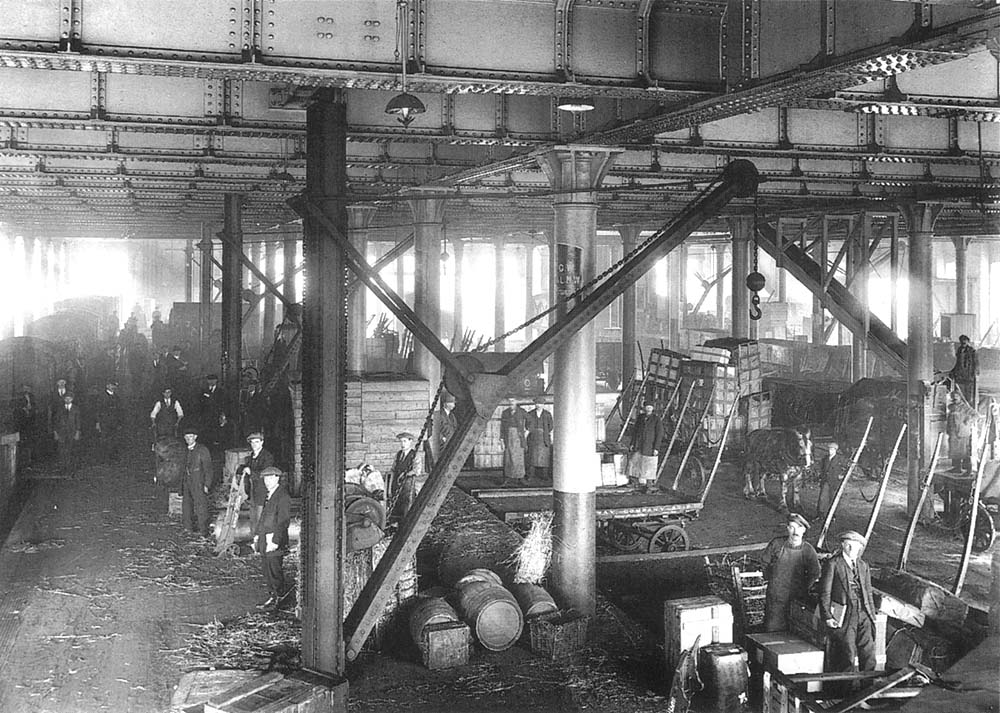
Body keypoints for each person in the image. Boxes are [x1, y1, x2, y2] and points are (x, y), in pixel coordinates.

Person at [820, 530, 878, 688]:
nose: (852, 548)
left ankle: (868, 691)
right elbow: (824, 593)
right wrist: (827, 616)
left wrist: (872, 615)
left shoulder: (863, 565)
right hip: (845, 615)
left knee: (869, 654)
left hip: (863, 613)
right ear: (842, 545)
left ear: (860, 547)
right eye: (849, 545)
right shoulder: (833, 564)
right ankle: (845, 696)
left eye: (856, 546)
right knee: (848, 655)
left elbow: (868, 592)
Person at [761, 512, 821, 632]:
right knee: (773, 629)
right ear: (787, 528)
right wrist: (773, 582)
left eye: (799, 528)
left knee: (795, 630)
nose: (795, 532)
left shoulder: (808, 550)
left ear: (804, 530)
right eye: (792, 527)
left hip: (797, 598)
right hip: (776, 597)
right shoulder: (776, 544)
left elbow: (815, 573)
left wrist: (804, 588)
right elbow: (764, 563)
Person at [253, 466, 292, 610]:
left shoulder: (283, 497)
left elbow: (283, 522)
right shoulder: (269, 495)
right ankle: (272, 596)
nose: (267, 482)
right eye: (265, 479)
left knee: (274, 570)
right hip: (264, 537)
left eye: (271, 478)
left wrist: (275, 541)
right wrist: (257, 535)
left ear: (277, 478)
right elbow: (263, 517)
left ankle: (279, 598)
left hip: (274, 540)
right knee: (267, 569)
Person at [181, 426, 214, 538]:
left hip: (198, 481)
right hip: (187, 482)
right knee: (186, 505)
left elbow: (208, 469)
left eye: (191, 436)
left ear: (195, 437)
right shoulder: (184, 450)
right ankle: (188, 528)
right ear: (185, 438)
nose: (189, 438)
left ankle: (203, 530)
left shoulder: (202, 450)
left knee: (201, 506)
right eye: (187, 437)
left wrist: (207, 484)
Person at [241, 432, 275, 534]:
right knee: (253, 515)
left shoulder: (267, 456)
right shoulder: (251, 456)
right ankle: (254, 538)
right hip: (252, 490)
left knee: (260, 515)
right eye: (252, 442)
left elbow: (266, 473)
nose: (254, 444)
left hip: (262, 490)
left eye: (257, 442)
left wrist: (251, 472)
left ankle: (261, 539)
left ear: (262, 442)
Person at [629, 402, 664, 494]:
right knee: (634, 461)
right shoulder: (640, 417)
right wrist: (632, 443)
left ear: (652, 409)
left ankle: (649, 484)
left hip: (650, 445)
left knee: (649, 464)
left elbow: (659, 434)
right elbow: (635, 431)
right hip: (639, 444)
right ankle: (635, 482)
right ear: (644, 408)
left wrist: (656, 448)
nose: (648, 409)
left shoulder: (656, 419)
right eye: (647, 407)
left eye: (650, 407)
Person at [388, 432, 423, 522]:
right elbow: (393, 468)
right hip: (397, 482)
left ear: (410, 442)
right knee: (396, 502)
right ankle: (396, 523)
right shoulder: (399, 454)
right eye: (401, 442)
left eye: (404, 441)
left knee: (406, 503)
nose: (402, 444)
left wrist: (406, 474)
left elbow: (417, 470)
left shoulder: (415, 455)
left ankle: (406, 522)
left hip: (408, 484)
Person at [816, 442, 849, 519]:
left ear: (835, 450)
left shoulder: (839, 459)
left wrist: (842, 475)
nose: (830, 451)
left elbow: (848, 467)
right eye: (829, 449)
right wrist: (820, 475)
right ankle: (820, 514)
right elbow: (821, 467)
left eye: (832, 449)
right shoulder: (825, 459)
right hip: (826, 481)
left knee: (833, 498)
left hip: (834, 482)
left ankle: (832, 515)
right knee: (822, 498)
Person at [94, 379, 124, 463]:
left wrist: (119, 422)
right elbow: (98, 410)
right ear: (107, 386)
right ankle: (104, 458)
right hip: (104, 422)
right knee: (104, 439)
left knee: (114, 440)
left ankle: (113, 456)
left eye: (114, 385)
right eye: (111, 385)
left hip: (114, 422)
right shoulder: (101, 397)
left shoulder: (117, 397)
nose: (113, 387)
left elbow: (120, 411)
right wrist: (98, 422)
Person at [524, 397, 553, 483]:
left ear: (543, 405)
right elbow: (527, 426)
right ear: (535, 404)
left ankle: (545, 475)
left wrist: (545, 432)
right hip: (533, 438)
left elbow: (551, 426)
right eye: (537, 403)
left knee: (545, 458)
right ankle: (530, 475)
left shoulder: (547, 414)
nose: (538, 405)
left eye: (540, 404)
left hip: (544, 438)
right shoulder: (530, 414)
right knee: (532, 457)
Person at [53, 392, 81, 476]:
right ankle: (62, 468)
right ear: (64, 399)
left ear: (72, 399)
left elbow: (78, 422)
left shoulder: (76, 409)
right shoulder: (60, 409)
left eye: (69, 398)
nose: (68, 400)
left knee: (72, 450)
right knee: (62, 450)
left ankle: (71, 468)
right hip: (61, 433)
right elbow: (55, 421)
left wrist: (77, 432)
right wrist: (55, 433)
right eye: (66, 398)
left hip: (72, 432)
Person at [500, 398, 527, 485]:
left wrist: (526, 432)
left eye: (513, 400)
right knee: (508, 457)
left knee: (518, 457)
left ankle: (520, 477)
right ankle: (507, 478)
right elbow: (502, 427)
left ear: (516, 401)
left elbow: (531, 421)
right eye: (510, 401)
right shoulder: (505, 413)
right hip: (508, 437)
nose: (511, 402)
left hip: (518, 437)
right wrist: (501, 439)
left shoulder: (522, 411)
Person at [428, 393, 458, 472]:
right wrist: (442, 438)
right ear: (445, 404)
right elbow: (435, 429)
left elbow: (455, 428)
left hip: (450, 441)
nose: (453, 405)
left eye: (454, 403)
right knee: (441, 460)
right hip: (442, 443)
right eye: (451, 403)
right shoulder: (439, 415)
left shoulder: (452, 416)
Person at [197, 374, 226, 449]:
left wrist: (222, 415)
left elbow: (223, 403)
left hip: (217, 415)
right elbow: (201, 403)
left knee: (217, 432)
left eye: (213, 380)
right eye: (209, 380)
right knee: (207, 432)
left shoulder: (221, 391)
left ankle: (217, 448)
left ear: (216, 381)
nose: (211, 381)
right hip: (206, 415)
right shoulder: (204, 391)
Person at [949, 334, 978, 405]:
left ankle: (969, 408)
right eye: (961, 341)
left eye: (964, 341)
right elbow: (957, 362)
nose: (963, 343)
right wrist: (953, 371)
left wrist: (975, 374)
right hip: (960, 376)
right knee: (959, 393)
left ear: (968, 341)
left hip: (968, 376)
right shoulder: (959, 350)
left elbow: (976, 363)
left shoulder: (972, 351)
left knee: (968, 395)